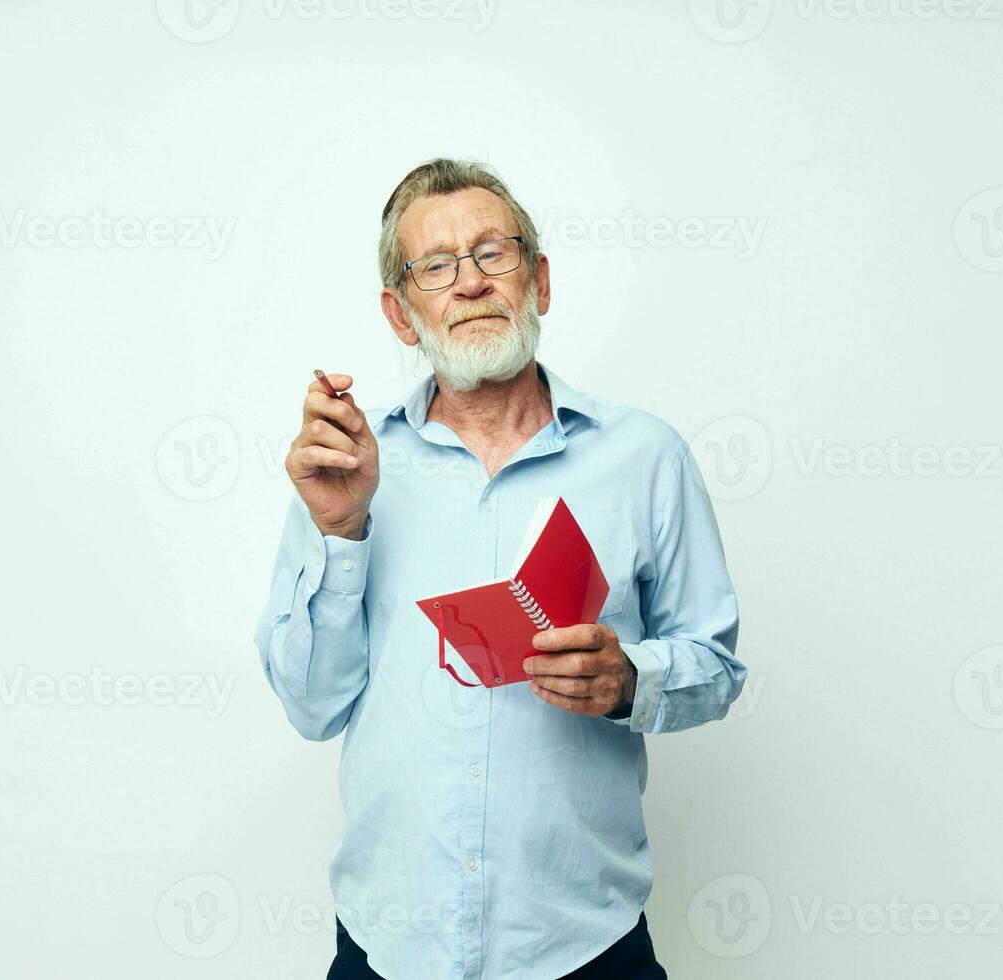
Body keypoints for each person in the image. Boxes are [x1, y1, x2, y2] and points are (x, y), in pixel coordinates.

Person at [254, 158, 745, 979]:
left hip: (586, 947)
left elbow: (718, 668)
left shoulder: (645, 457)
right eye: (436, 266)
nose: (470, 283)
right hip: (389, 948)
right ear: (402, 314)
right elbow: (312, 708)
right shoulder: (345, 470)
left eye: (494, 253)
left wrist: (633, 679)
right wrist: (341, 533)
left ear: (540, 281)